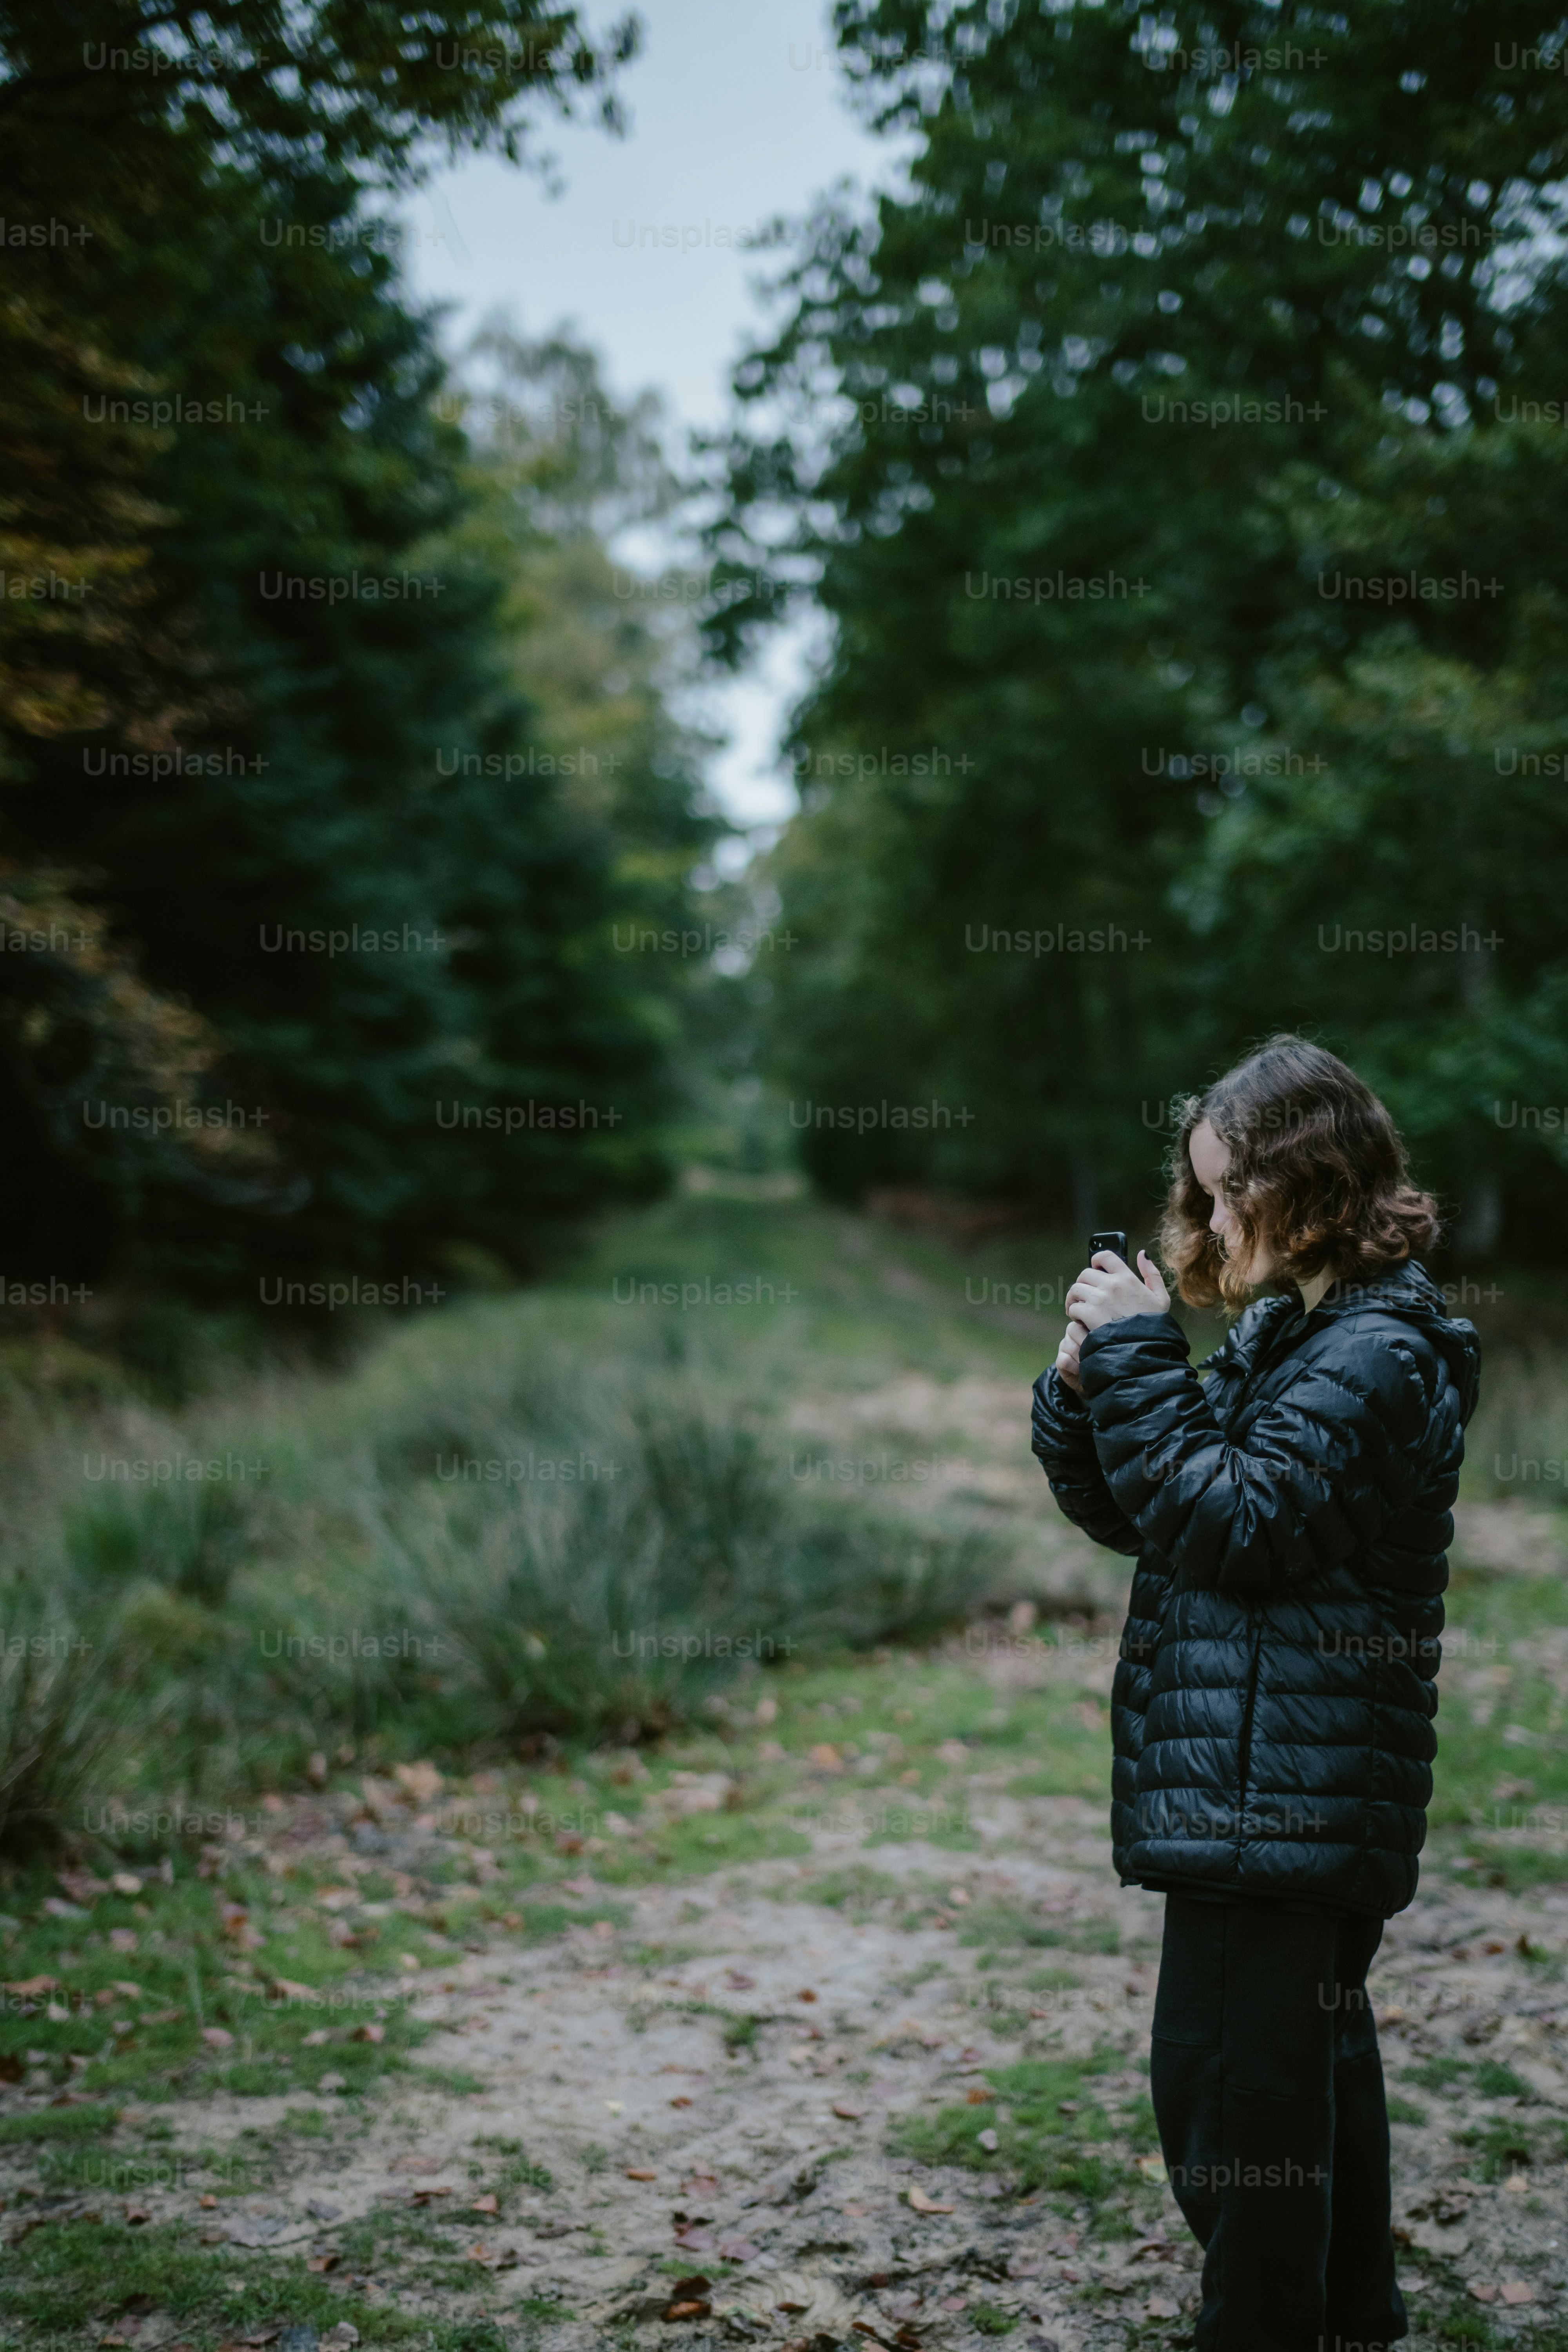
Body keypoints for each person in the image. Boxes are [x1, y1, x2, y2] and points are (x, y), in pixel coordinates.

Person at [1030, 1034, 1479, 2352]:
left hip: (1277, 1792)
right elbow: (1153, 1511)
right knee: (1300, 2086)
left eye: (1233, 1193)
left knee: (1231, 2109)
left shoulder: (1378, 1353)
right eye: (1205, 1194)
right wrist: (1081, 1383)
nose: (1213, 1220)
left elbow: (1238, 1519)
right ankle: (1348, 2318)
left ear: (1315, 1182)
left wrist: (1139, 1364)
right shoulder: (1302, 1331)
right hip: (1267, 1782)